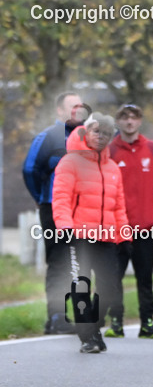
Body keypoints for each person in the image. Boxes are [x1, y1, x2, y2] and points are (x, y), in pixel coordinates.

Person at [51, 114, 130, 353]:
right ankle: (86, 337)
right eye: (97, 131)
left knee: (110, 287)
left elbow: (119, 207)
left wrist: (124, 236)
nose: (101, 137)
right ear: (86, 133)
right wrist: (65, 227)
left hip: (105, 237)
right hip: (79, 236)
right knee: (82, 286)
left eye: (106, 133)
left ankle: (94, 327)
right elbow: (61, 198)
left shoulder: (113, 168)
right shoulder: (70, 162)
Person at [106, 104, 153, 338]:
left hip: (145, 226)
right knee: (113, 277)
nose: (129, 122)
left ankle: (147, 323)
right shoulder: (108, 151)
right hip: (116, 227)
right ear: (118, 122)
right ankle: (116, 323)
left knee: (145, 277)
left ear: (140, 121)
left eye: (134, 118)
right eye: (125, 118)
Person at [22, 92, 90, 334]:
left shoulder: (89, 137)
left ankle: (82, 314)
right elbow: (30, 169)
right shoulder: (47, 137)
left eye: (80, 107)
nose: (77, 111)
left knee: (82, 262)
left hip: (84, 210)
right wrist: (42, 198)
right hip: (54, 208)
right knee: (59, 262)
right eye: (72, 107)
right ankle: (56, 317)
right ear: (60, 111)